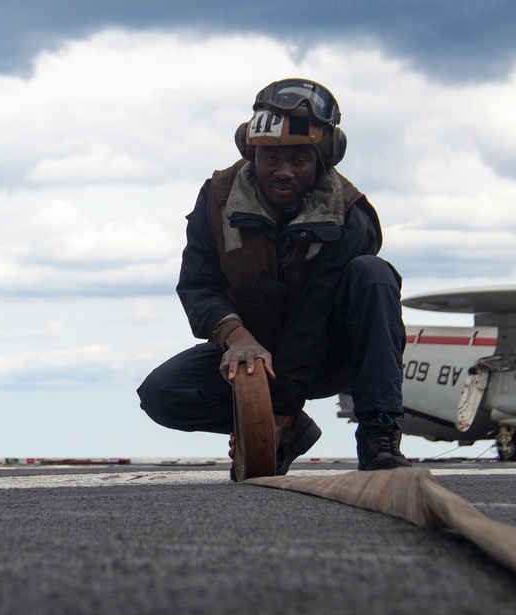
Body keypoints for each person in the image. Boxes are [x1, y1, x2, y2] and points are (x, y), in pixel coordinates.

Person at [137, 78, 411, 475]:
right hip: (252, 358)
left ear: (322, 160)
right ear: (252, 154)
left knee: (374, 274)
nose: (283, 172)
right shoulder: (217, 198)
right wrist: (237, 337)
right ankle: (293, 432)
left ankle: (379, 435)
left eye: (299, 160)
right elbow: (199, 285)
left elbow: (313, 319)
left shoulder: (350, 215)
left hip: (328, 356)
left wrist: (278, 411)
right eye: (269, 159)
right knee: (163, 393)